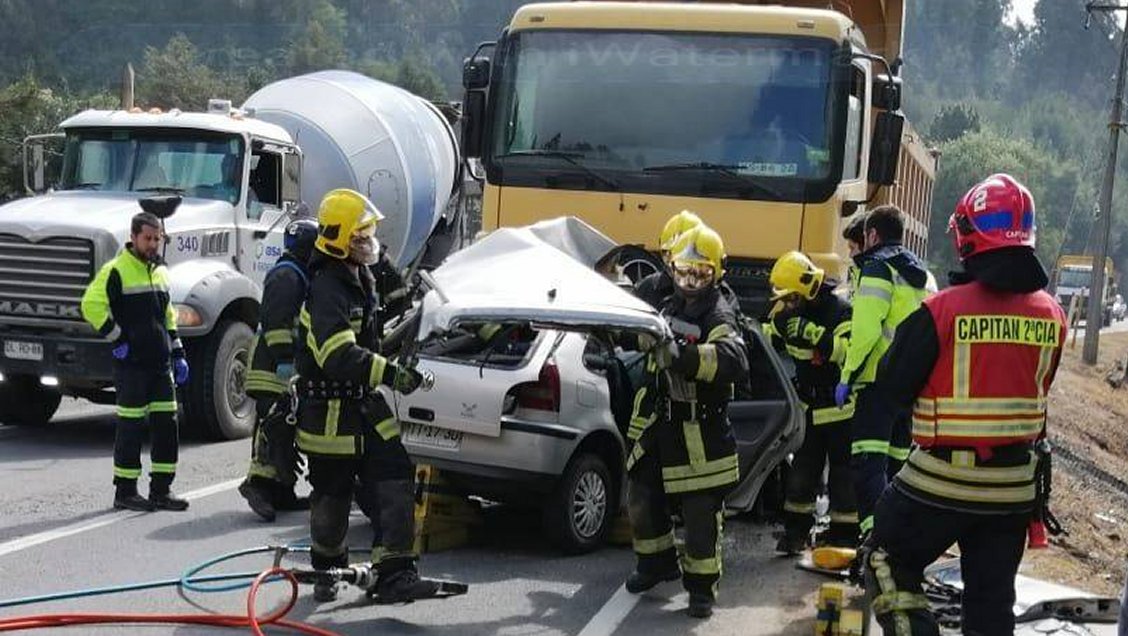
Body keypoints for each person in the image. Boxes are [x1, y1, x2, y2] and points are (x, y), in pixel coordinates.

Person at [861, 173, 1067, 634]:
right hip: (1014, 491)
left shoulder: (942, 311)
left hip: (940, 481)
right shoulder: (1053, 315)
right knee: (991, 603)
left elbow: (893, 387)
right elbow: (1040, 388)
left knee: (885, 560)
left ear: (968, 237)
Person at [296, 188, 432, 603]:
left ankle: (394, 572)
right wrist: (391, 372)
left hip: (363, 404)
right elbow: (337, 354)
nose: (367, 242)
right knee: (332, 496)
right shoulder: (327, 288)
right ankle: (327, 568)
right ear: (339, 241)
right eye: (360, 236)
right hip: (330, 412)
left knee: (394, 473)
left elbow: (374, 330)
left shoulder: (360, 277)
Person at [623, 225, 750, 619]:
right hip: (662, 422)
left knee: (699, 516)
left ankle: (700, 590)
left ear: (717, 274)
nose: (690, 281)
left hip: (703, 431)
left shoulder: (719, 311)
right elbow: (635, 336)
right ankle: (656, 564)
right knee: (641, 496)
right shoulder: (667, 301)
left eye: (701, 274)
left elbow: (733, 360)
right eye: (684, 272)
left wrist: (679, 356)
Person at [80, 205, 190, 512]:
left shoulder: (161, 271)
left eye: (157, 239)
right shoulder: (116, 270)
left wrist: (178, 351)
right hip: (132, 366)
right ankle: (125, 492)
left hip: (160, 364)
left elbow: (167, 314)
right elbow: (90, 304)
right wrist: (117, 338)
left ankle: (161, 491)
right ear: (133, 238)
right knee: (130, 429)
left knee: (167, 427)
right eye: (148, 239)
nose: (153, 244)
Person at [835, 204, 929, 537]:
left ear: (872, 235)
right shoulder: (924, 275)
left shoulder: (877, 269)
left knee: (867, 465)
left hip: (877, 383)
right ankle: (897, 540)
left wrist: (847, 377)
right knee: (897, 468)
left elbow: (865, 333)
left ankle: (874, 543)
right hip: (911, 388)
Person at [764, 251, 856, 554]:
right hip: (808, 410)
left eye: (792, 298)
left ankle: (843, 537)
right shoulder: (788, 316)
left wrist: (816, 335)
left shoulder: (840, 311)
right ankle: (795, 535)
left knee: (844, 476)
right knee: (802, 473)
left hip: (840, 409)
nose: (787, 305)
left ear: (807, 289)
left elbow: (848, 352)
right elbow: (768, 338)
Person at [239, 218, 319, 521]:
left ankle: (282, 491)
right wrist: (286, 360)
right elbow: (276, 323)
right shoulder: (287, 276)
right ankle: (257, 485)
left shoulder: (296, 273)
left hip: (281, 368)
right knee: (271, 427)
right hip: (271, 369)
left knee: (285, 429)